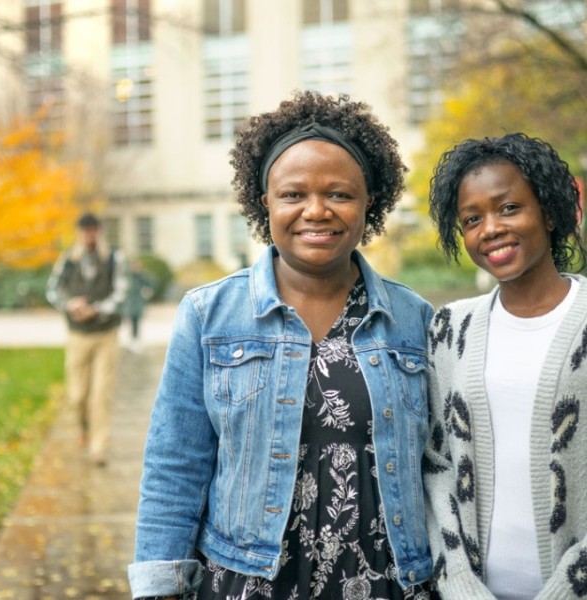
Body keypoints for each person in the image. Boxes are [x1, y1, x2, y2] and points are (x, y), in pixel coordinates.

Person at [128, 91, 438, 600]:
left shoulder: (415, 320)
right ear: (264, 201)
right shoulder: (209, 315)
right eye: (293, 194)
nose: (316, 211)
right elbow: (175, 463)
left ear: (370, 203)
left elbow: (437, 466)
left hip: (385, 581)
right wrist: (159, 585)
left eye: (339, 194)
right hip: (247, 582)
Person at [423, 132, 587, 599]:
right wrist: (458, 582)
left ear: (551, 212)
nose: (489, 228)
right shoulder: (449, 329)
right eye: (472, 219)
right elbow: (435, 465)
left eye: (509, 208)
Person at [46, 212, 128, 467]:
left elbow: (121, 293)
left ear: (99, 231)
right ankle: (84, 427)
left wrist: (98, 309)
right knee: (77, 395)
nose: (89, 235)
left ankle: (98, 447)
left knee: (101, 393)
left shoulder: (115, 258)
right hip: (77, 335)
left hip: (106, 334)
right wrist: (71, 304)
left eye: (93, 230)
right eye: (85, 231)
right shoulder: (68, 260)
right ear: (79, 233)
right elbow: (52, 289)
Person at [123, 258, 156, 352]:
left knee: (136, 322)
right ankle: (131, 339)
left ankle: (135, 340)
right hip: (128, 303)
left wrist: (147, 293)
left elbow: (152, 283)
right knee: (128, 322)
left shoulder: (141, 276)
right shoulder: (127, 276)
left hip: (137, 303)